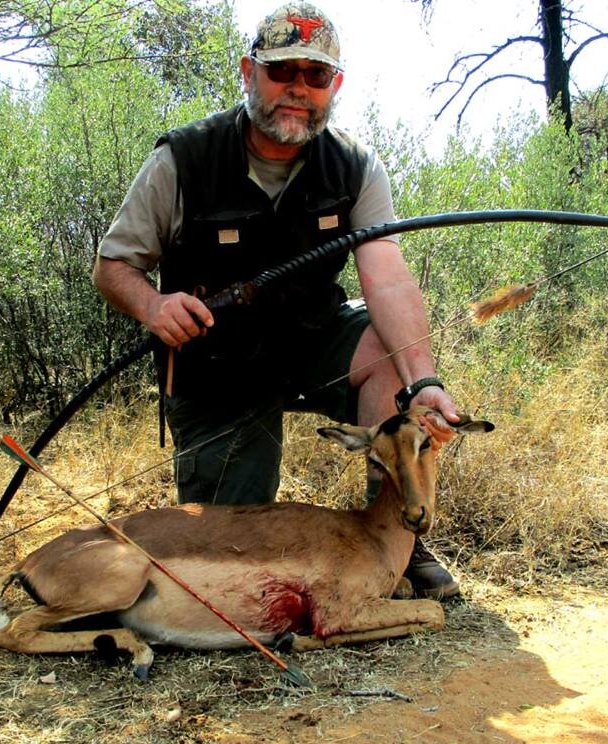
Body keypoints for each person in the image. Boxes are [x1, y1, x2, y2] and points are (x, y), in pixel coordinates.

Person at [93, 2, 461, 599]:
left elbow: (387, 277)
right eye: (282, 70)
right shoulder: (183, 160)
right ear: (248, 71)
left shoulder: (355, 167)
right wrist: (154, 307)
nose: (298, 89)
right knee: (233, 555)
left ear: (334, 86)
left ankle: (399, 541)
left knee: (392, 352)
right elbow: (113, 266)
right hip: (219, 369)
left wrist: (423, 384)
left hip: (312, 342)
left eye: (316, 77)